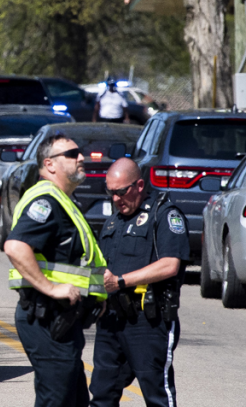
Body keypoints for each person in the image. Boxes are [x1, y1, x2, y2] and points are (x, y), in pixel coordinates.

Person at [4, 133, 108, 407]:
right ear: (49, 164)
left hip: (63, 321)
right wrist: (50, 288)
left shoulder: (64, 201)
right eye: (72, 154)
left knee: (73, 400)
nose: (81, 158)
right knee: (57, 401)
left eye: (80, 152)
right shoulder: (46, 201)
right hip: (46, 319)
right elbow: (15, 247)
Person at [89, 158, 188, 407]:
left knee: (157, 394)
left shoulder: (164, 215)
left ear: (139, 185)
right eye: (110, 192)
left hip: (149, 321)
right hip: (111, 319)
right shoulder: (114, 221)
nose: (115, 199)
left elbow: (170, 264)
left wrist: (121, 282)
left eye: (121, 192)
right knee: (102, 393)